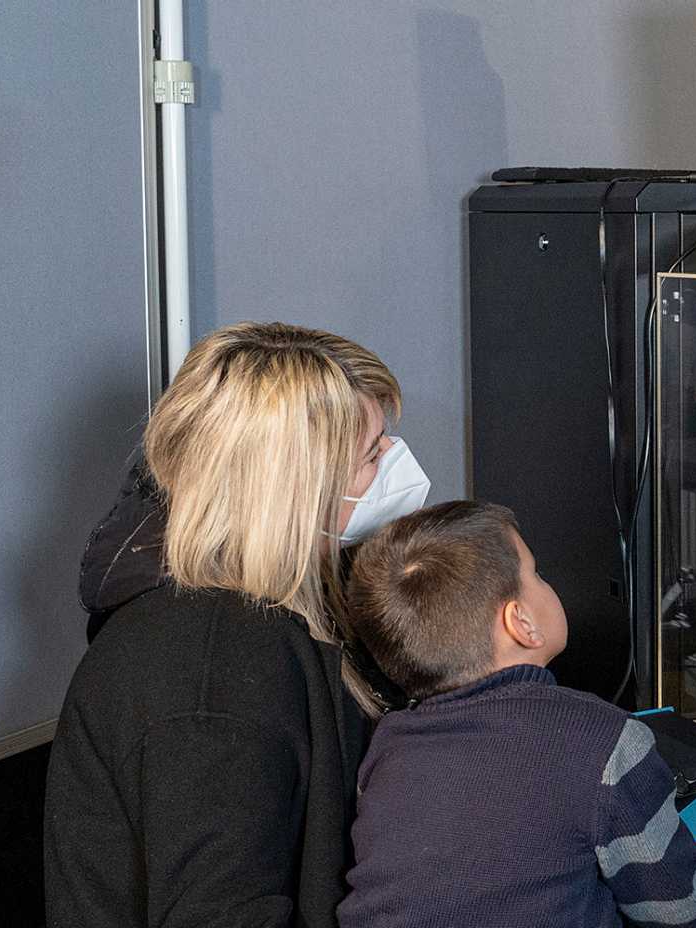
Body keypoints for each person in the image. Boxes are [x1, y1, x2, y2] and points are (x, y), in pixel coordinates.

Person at [45, 322, 432, 927]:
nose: (395, 467)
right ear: (294, 490)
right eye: (371, 454)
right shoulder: (215, 663)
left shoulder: (274, 614)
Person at [335, 501, 696, 928]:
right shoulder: (600, 739)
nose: (548, 583)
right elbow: (685, 910)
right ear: (520, 623)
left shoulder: (390, 744)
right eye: (537, 573)